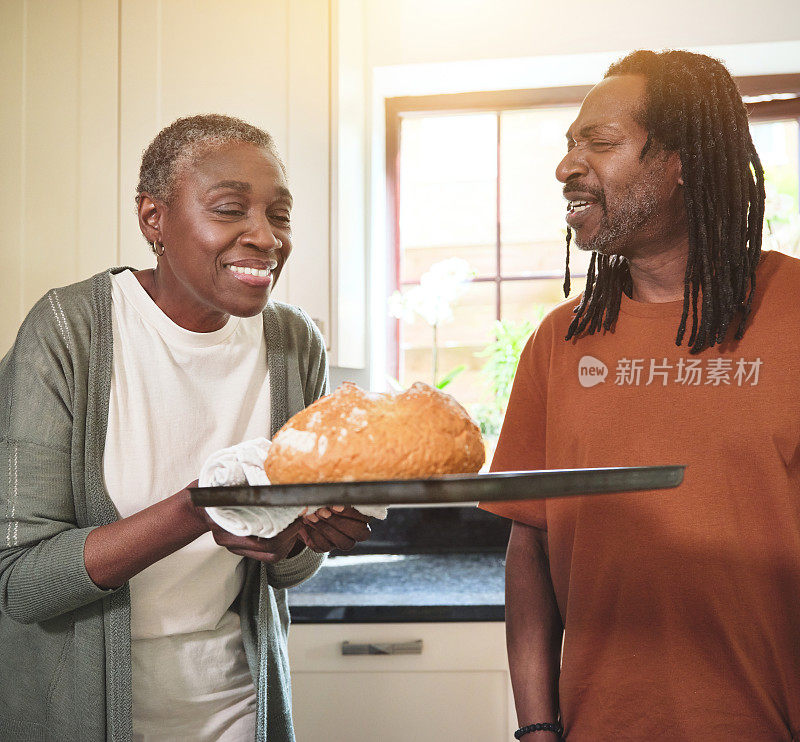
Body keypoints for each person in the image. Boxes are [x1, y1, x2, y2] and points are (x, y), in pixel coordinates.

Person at [0, 114, 371, 742]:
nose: (265, 237)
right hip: (79, 705)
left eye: (279, 216)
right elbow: (23, 582)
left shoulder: (292, 342)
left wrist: (296, 542)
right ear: (153, 219)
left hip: (236, 701)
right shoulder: (69, 333)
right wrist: (204, 507)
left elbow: (289, 567)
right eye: (229, 210)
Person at [480, 50, 800, 741]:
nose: (567, 165)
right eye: (569, 144)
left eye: (599, 142)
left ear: (682, 160)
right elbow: (528, 546)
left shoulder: (795, 310)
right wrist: (536, 727)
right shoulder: (560, 340)